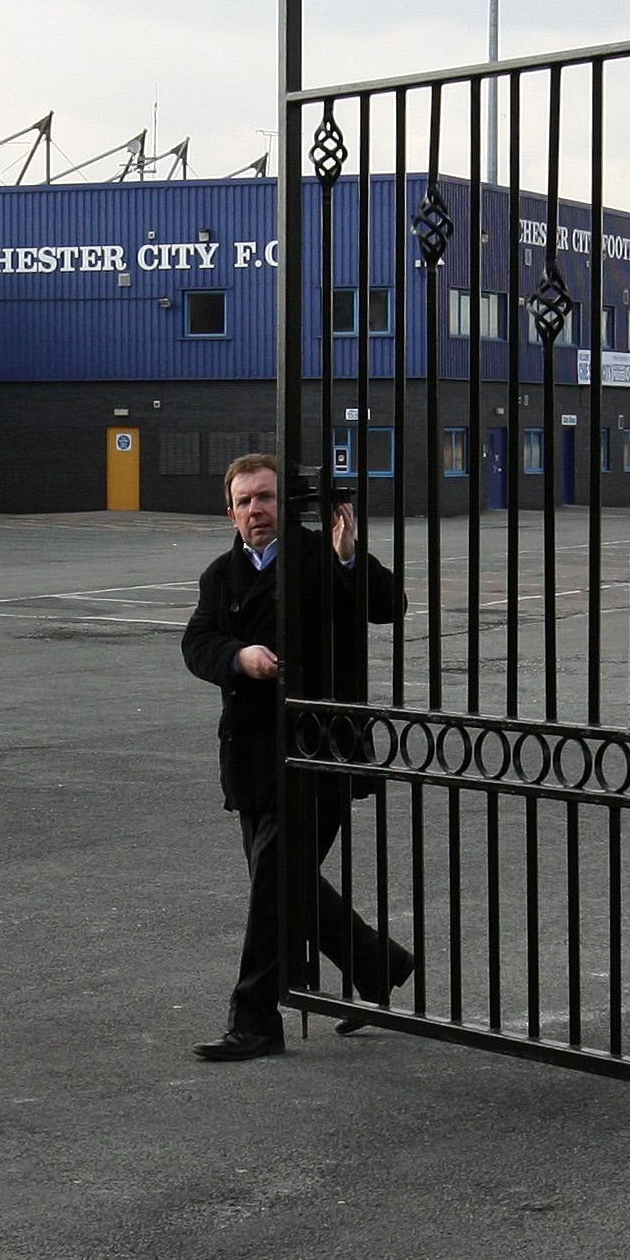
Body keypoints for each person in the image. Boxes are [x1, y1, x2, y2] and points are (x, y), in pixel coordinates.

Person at [179, 451, 412, 1062]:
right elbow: (197, 642)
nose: (256, 510)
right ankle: (376, 964)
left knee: (273, 889)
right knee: (284, 883)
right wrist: (240, 657)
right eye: (244, 501)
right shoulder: (220, 575)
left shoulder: (319, 555)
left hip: (319, 751)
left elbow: (389, 606)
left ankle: (255, 1020)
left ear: (285, 504)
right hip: (252, 756)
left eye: (266, 497)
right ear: (230, 513)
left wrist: (348, 556)